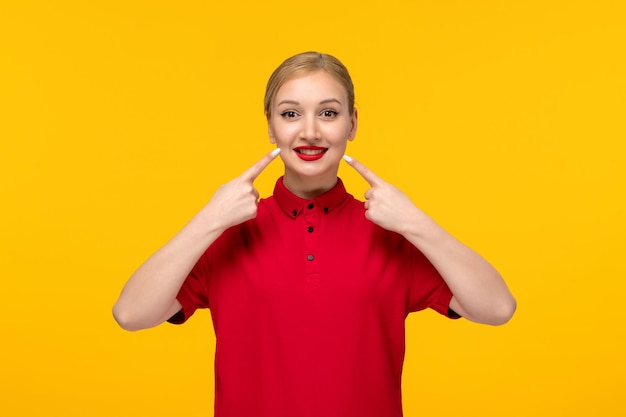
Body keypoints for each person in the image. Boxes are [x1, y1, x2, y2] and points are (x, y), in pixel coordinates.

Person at [113, 51, 516, 417]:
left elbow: (497, 309)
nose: (310, 132)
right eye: (290, 114)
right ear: (270, 125)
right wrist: (209, 219)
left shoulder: (392, 235)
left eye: (328, 113)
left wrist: (416, 222)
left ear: (352, 123)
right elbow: (131, 315)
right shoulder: (228, 233)